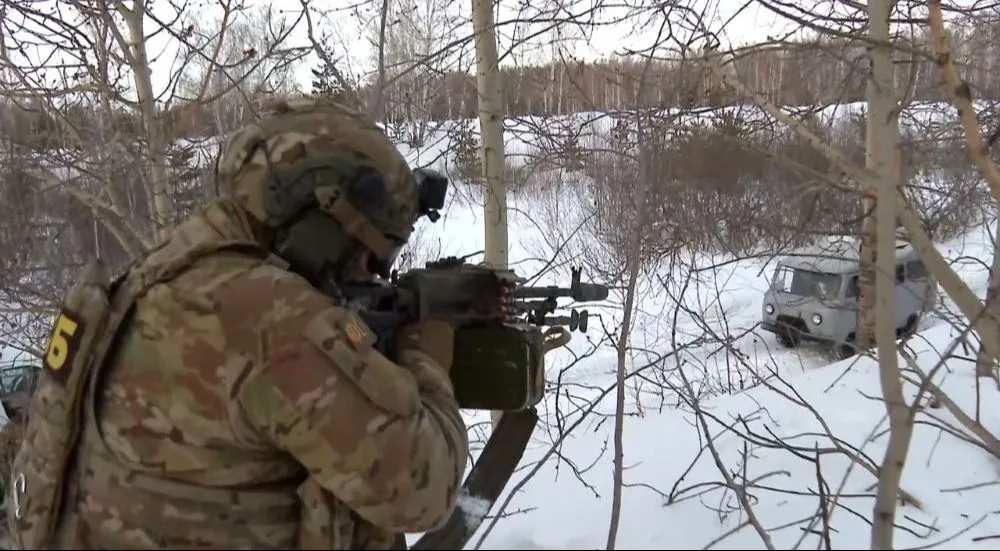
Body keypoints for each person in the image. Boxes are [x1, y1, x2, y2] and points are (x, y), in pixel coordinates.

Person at [8, 97, 468, 549]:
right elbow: (422, 492)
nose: (372, 273)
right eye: (374, 254)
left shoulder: (162, 268)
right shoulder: (270, 315)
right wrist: (426, 364)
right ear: (325, 220)